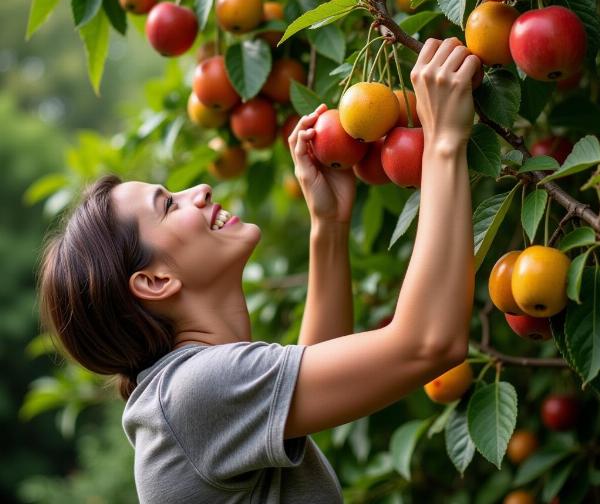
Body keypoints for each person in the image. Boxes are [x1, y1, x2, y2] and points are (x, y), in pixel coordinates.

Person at [38, 37, 480, 503]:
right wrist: (444, 143)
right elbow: (427, 343)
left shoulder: (190, 398)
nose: (201, 189)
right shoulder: (192, 395)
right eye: (168, 205)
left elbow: (326, 375)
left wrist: (328, 226)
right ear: (154, 281)